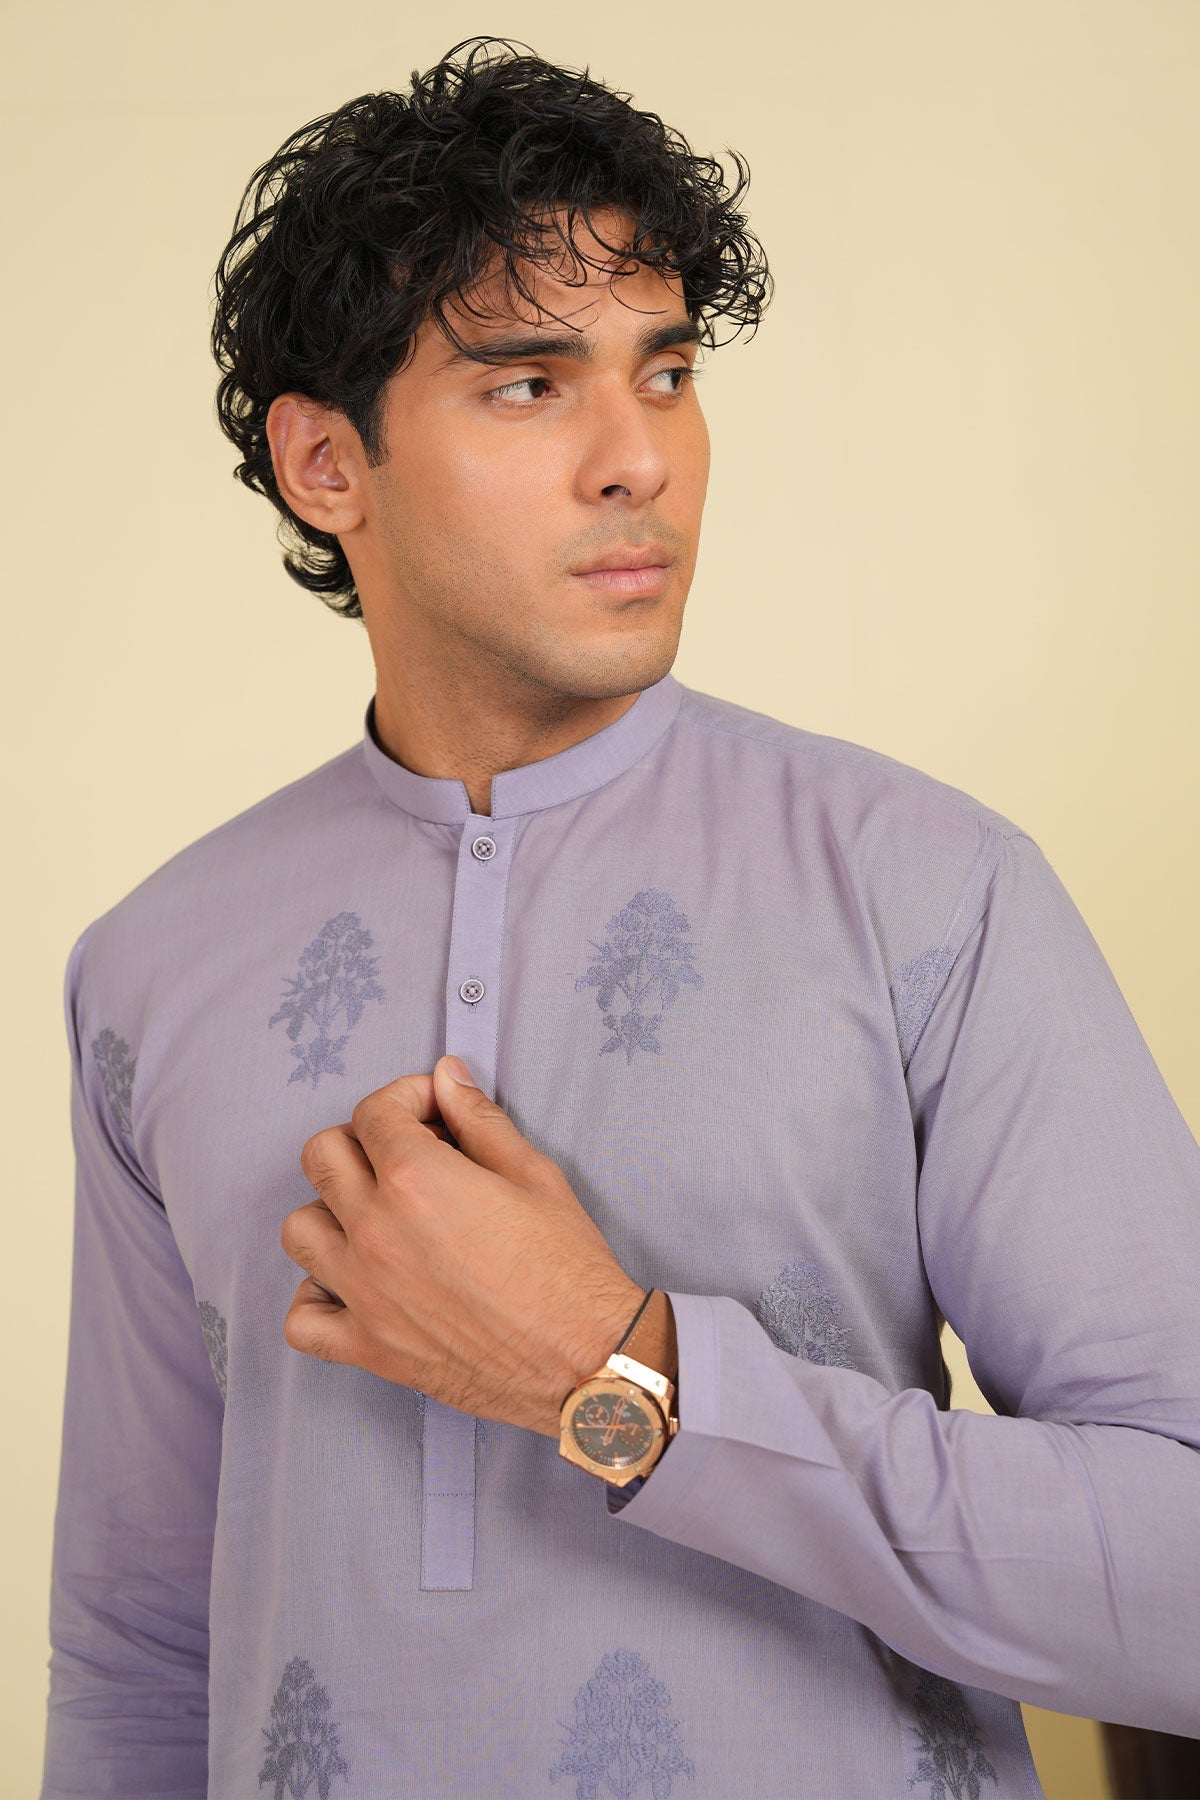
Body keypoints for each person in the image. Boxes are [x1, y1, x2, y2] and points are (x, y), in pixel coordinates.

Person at [42, 35, 1200, 1800]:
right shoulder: (152, 967)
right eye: (529, 384)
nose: (637, 459)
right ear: (326, 464)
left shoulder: (927, 890)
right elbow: (138, 1648)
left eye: (665, 373)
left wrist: (623, 1376)